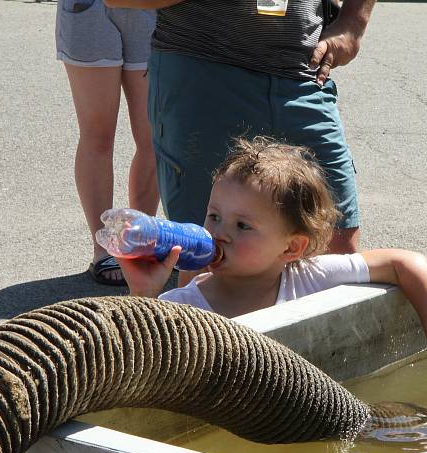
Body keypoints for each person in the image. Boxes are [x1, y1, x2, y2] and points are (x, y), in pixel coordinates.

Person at [117, 137, 427, 395]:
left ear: (292, 247)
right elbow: (134, 365)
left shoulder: (307, 277)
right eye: (214, 216)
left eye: (242, 226)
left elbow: (405, 264)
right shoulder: (185, 305)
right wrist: (143, 295)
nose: (219, 233)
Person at [104, 0, 377, 282]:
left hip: (303, 74)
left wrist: (353, 22)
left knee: (337, 253)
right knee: (208, 262)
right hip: (203, 67)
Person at [56, 0, 159, 285]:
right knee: (98, 136)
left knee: (153, 137)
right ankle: (103, 248)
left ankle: (140, 240)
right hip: (90, 8)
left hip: (151, 9)